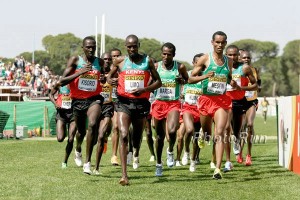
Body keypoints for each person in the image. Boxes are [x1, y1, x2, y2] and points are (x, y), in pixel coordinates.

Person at [107, 34, 162, 185]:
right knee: (124, 134)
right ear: (126, 46)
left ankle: (135, 150)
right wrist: (109, 80)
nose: (132, 49)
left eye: (134, 46)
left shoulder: (147, 61)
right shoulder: (120, 61)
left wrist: (145, 88)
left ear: (139, 45)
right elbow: (109, 77)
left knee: (136, 139)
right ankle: (124, 175)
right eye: (129, 46)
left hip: (141, 103)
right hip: (123, 102)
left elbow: (159, 82)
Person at [189, 31, 235, 179]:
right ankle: (203, 133)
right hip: (206, 100)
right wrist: (205, 76)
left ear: (226, 43)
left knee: (220, 133)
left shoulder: (229, 61)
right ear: (212, 42)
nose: (220, 45)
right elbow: (190, 79)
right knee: (208, 134)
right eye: (217, 42)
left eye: (222, 42)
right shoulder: (205, 59)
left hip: (221, 101)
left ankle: (217, 168)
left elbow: (228, 77)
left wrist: (232, 82)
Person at [56, 36, 105, 174]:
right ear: (83, 48)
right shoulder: (76, 60)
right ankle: (78, 149)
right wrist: (80, 72)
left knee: (93, 124)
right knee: (80, 132)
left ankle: (87, 163)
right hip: (77, 101)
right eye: (88, 47)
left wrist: (103, 78)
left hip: (94, 99)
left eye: (93, 47)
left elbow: (103, 77)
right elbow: (62, 81)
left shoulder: (99, 62)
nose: (91, 49)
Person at [151, 42, 189, 176]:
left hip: (173, 103)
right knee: (160, 136)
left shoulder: (180, 67)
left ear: (174, 55)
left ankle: (170, 150)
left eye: (169, 54)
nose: (166, 56)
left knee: (172, 131)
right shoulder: (156, 66)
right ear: (161, 54)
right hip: (159, 103)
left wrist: (181, 80)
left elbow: (187, 79)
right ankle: (159, 164)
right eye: (164, 54)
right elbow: (150, 82)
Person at [224, 45, 257, 172]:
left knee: (236, 132)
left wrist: (241, 88)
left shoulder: (244, 68)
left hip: (240, 102)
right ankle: (227, 162)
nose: (232, 57)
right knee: (227, 127)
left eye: (234, 55)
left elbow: (255, 86)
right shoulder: (222, 68)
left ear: (238, 55)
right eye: (229, 55)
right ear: (226, 55)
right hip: (227, 102)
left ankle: (237, 143)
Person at [94, 52, 115, 174]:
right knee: (94, 136)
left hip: (108, 106)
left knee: (101, 135)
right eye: (105, 59)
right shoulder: (95, 72)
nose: (107, 61)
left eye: (109, 59)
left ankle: (96, 167)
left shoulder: (114, 73)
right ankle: (80, 151)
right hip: (95, 106)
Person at [239, 50, 261, 166]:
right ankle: (240, 152)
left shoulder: (255, 70)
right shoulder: (236, 70)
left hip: (251, 101)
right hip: (239, 102)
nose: (246, 59)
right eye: (244, 58)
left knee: (250, 125)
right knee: (241, 128)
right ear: (240, 59)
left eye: (248, 57)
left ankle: (248, 155)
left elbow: (259, 82)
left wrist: (258, 87)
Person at [49, 84, 77, 169]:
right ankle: (63, 129)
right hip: (61, 113)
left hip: (73, 114)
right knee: (60, 138)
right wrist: (55, 103)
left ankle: (65, 161)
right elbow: (50, 94)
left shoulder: (76, 83)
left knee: (71, 139)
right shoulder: (59, 84)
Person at [110, 48, 122, 166]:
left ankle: (114, 156)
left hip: (119, 102)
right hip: (106, 103)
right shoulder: (107, 70)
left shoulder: (124, 70)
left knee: (117, 127)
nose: (115, 58)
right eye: (113, 56)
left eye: (117, 56)